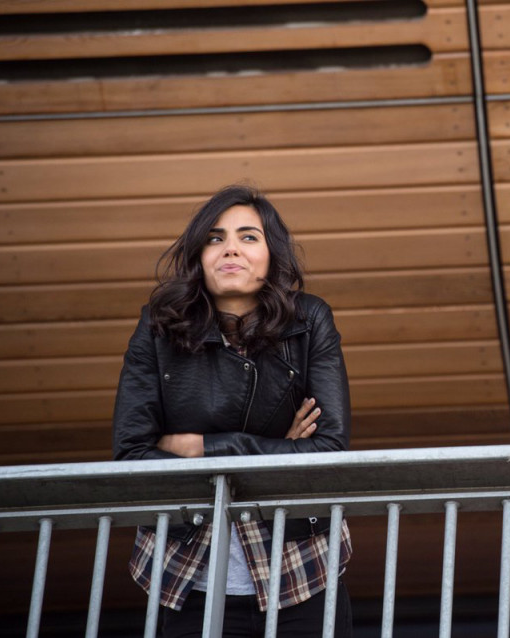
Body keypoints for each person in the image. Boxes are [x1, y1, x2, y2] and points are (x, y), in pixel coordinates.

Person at [112, 185, 353, 637]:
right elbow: (131, 457)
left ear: (272, 254)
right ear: (199, 256)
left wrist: (201, 447)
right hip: (186, 570)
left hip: (300, 566)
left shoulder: (309, 321)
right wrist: (280, 450)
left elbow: (329, 450)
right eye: (215, 238)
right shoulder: (158, 326)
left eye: (248, 237)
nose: (230, 250)